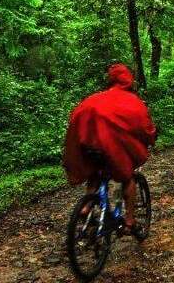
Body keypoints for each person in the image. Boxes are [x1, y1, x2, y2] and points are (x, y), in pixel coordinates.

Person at [63, 63, 157, 236]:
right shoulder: (133, 102)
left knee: (95, 173)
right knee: (127, 178)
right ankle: (129, 221)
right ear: (129, 80)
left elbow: (75, 118)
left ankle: (86, 206)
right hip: (112, 149)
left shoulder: (93, 99)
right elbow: (145, 127)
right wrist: (152, 137)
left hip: (89, 147)